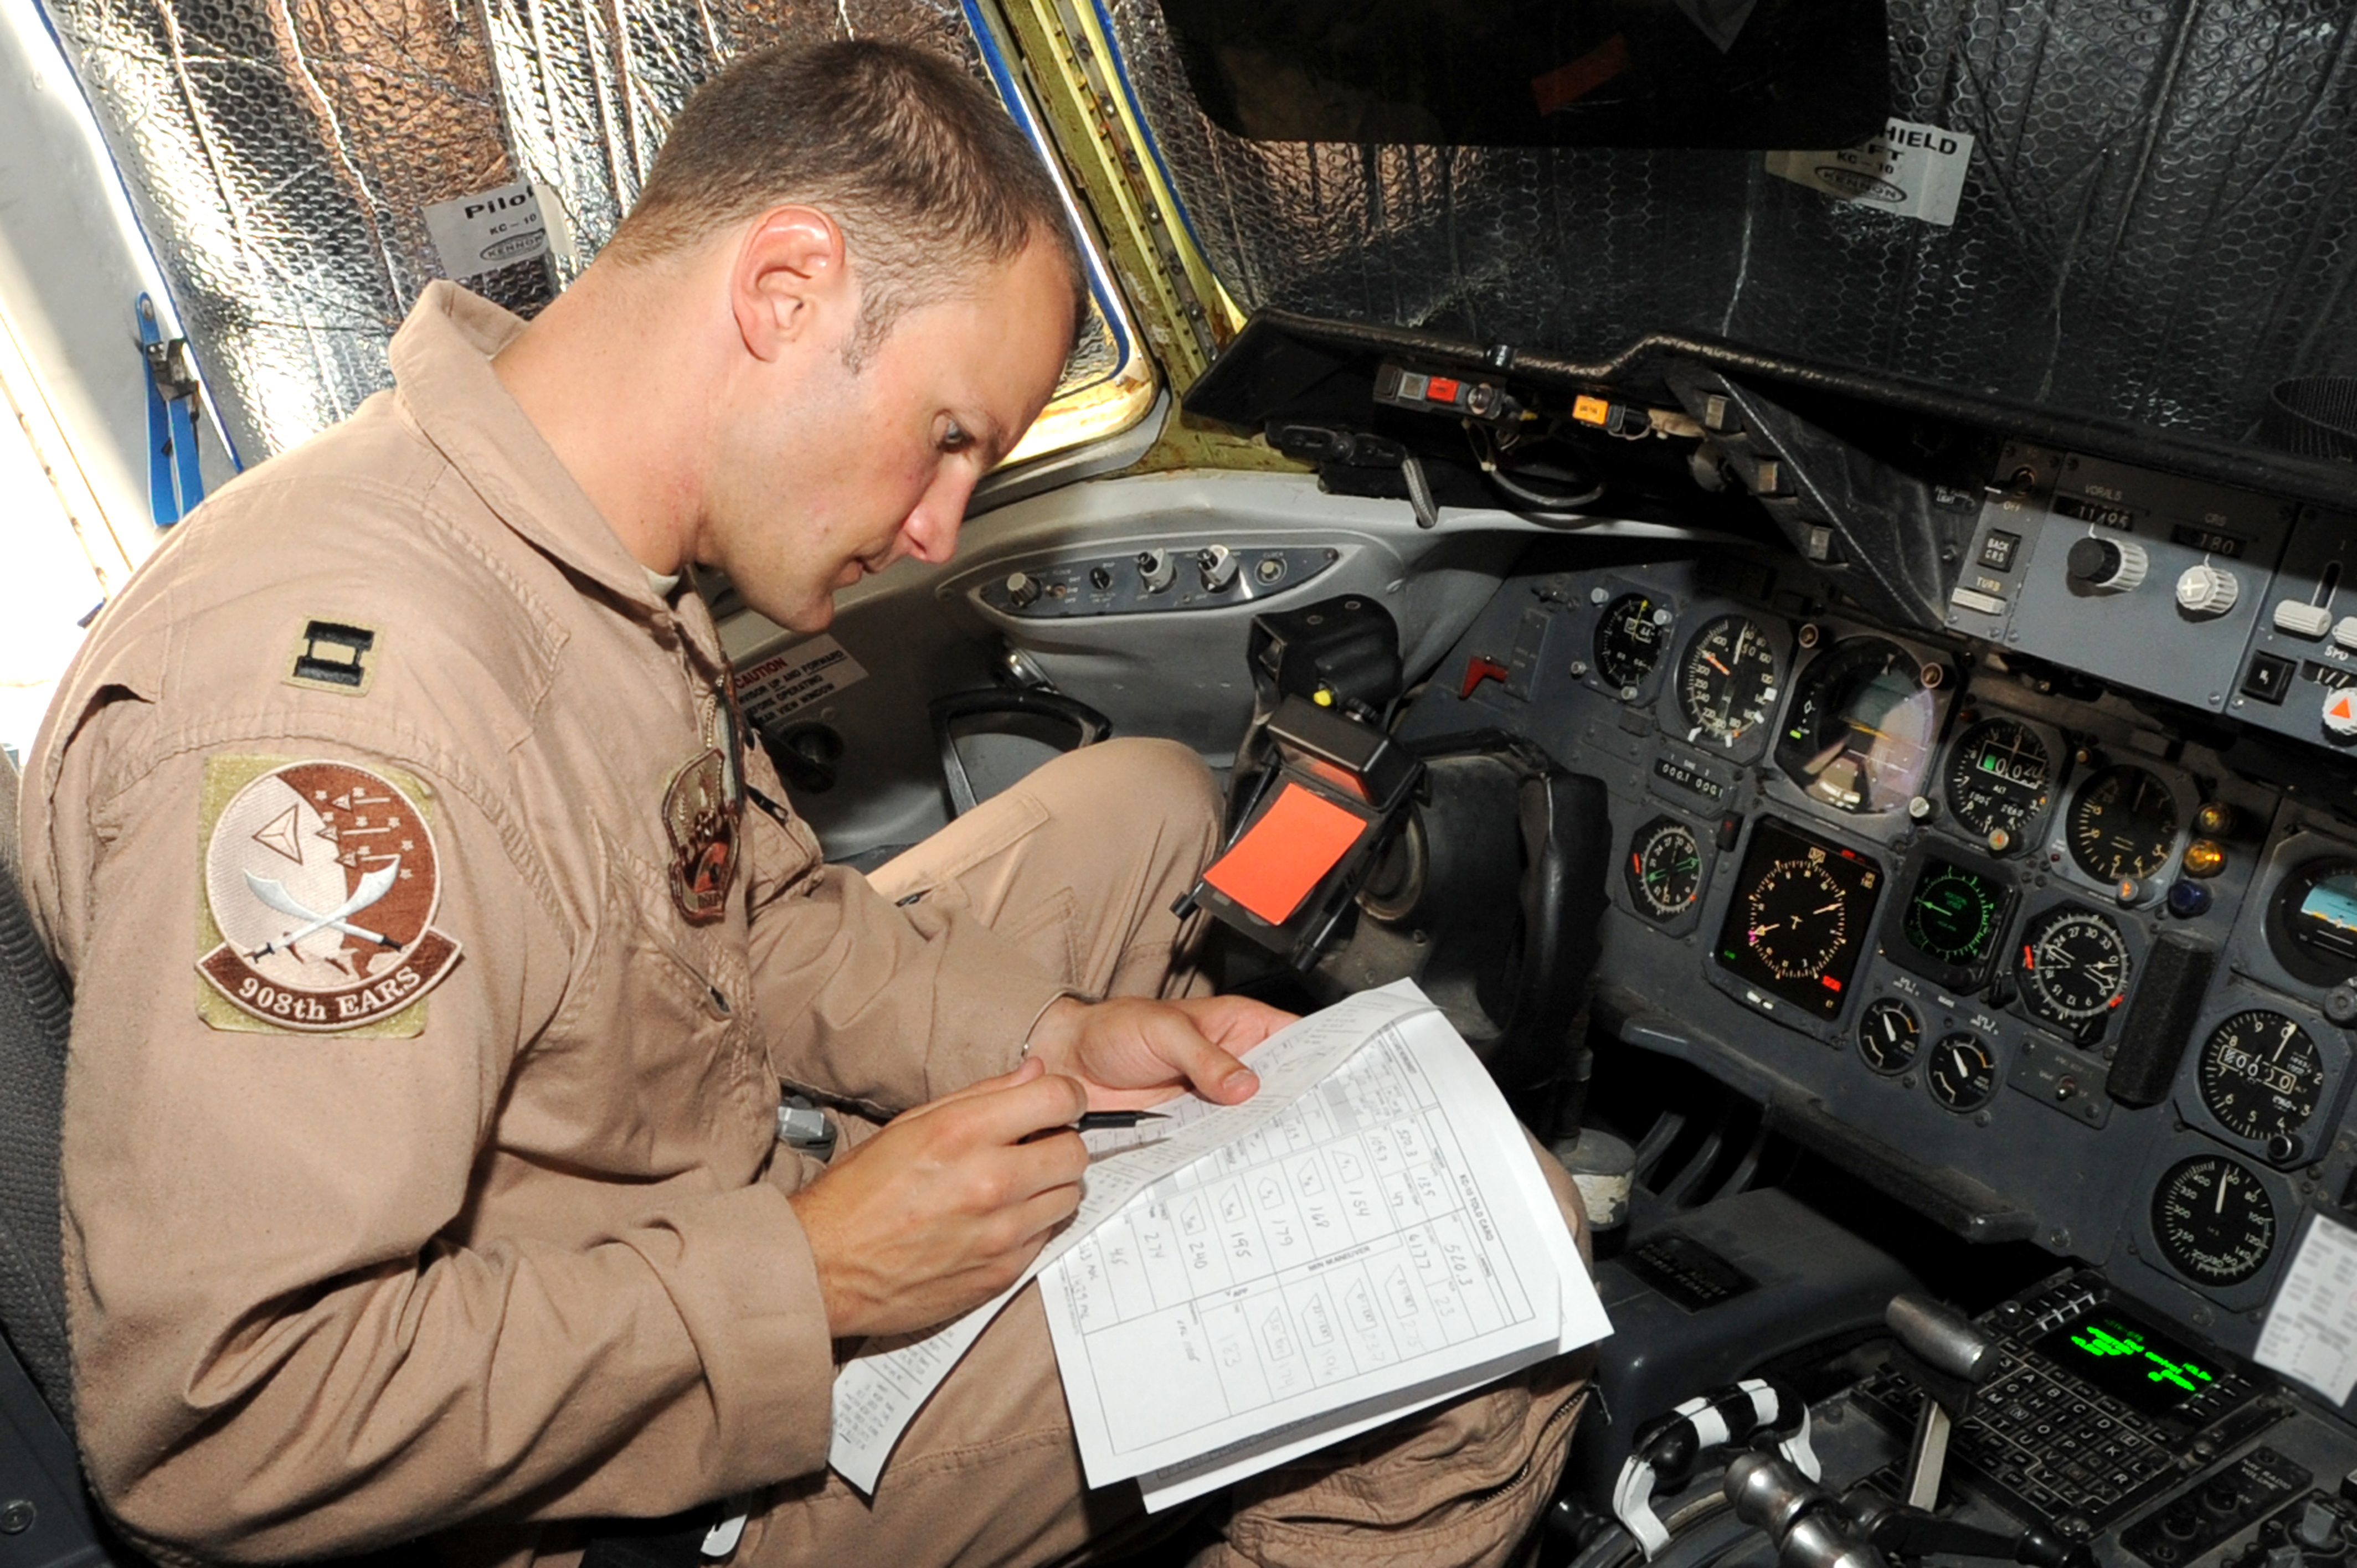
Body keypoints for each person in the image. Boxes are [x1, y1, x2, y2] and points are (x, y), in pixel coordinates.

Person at [21, 36, 1588, 1568]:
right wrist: (818, 1273)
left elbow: (748, 913)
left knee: (1153, 805)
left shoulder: (564, 529)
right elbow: (222, 1427)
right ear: (784, 293)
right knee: (1493, 1275)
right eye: (950, 437)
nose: (936, 529)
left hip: (681, 1165)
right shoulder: (345, 741)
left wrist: (1050, 1041)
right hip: (598, 1480)